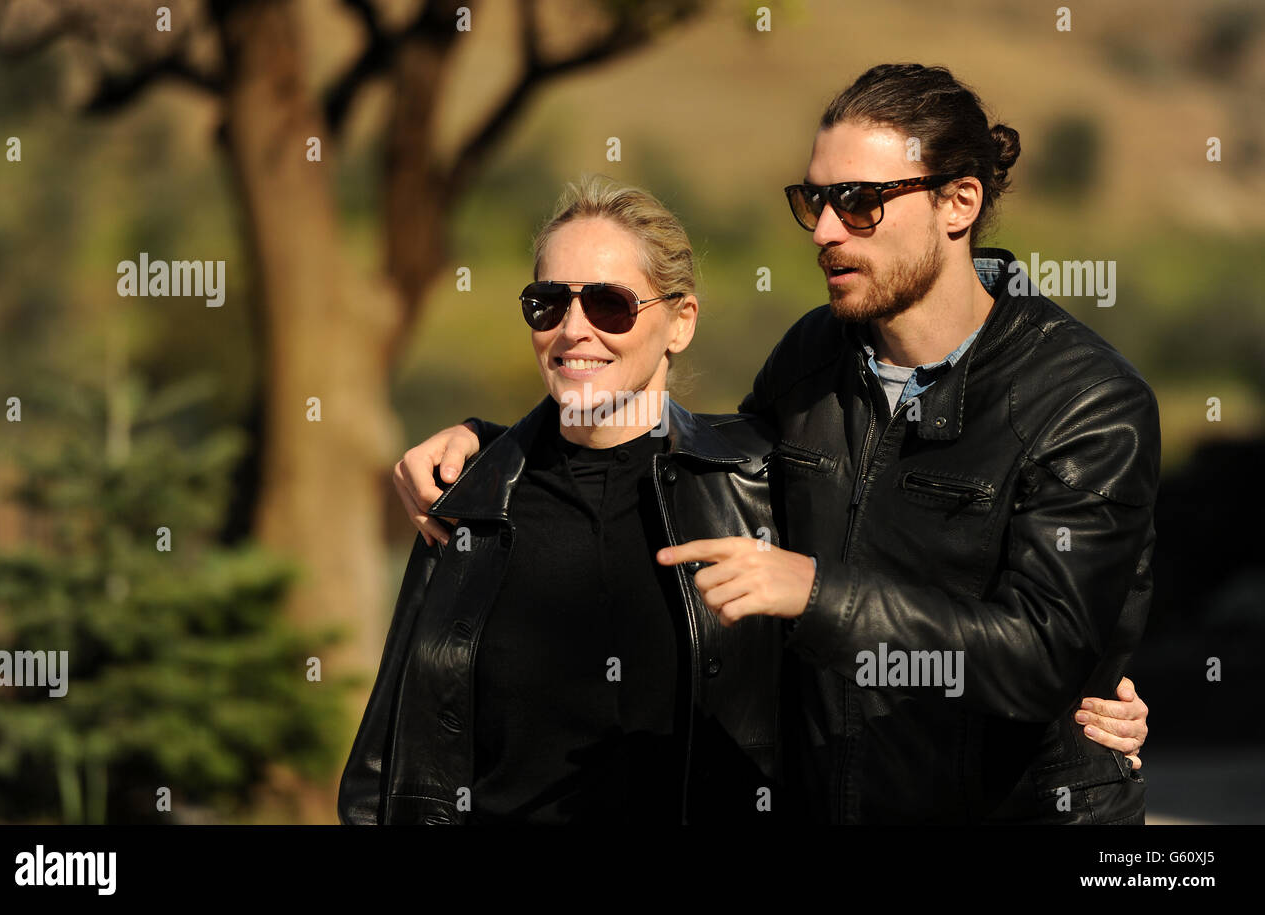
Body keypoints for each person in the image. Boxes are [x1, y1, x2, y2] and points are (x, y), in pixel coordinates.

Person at [395, 64, 1156, 824]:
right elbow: (692, 460)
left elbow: (1042, 658)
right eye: (815, 200)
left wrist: (815, 593)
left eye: (859, 203)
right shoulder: (812, 356)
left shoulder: (1086, 401)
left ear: (958, 203)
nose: (824, 230)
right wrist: (492, 450)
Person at [339, 176, 789, 824]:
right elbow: (382, 768)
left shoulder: (756, 485)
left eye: (609, 304)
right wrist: (484, 445)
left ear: (680, 321)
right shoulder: (469, 501)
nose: (574, 331)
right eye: (548, 304)